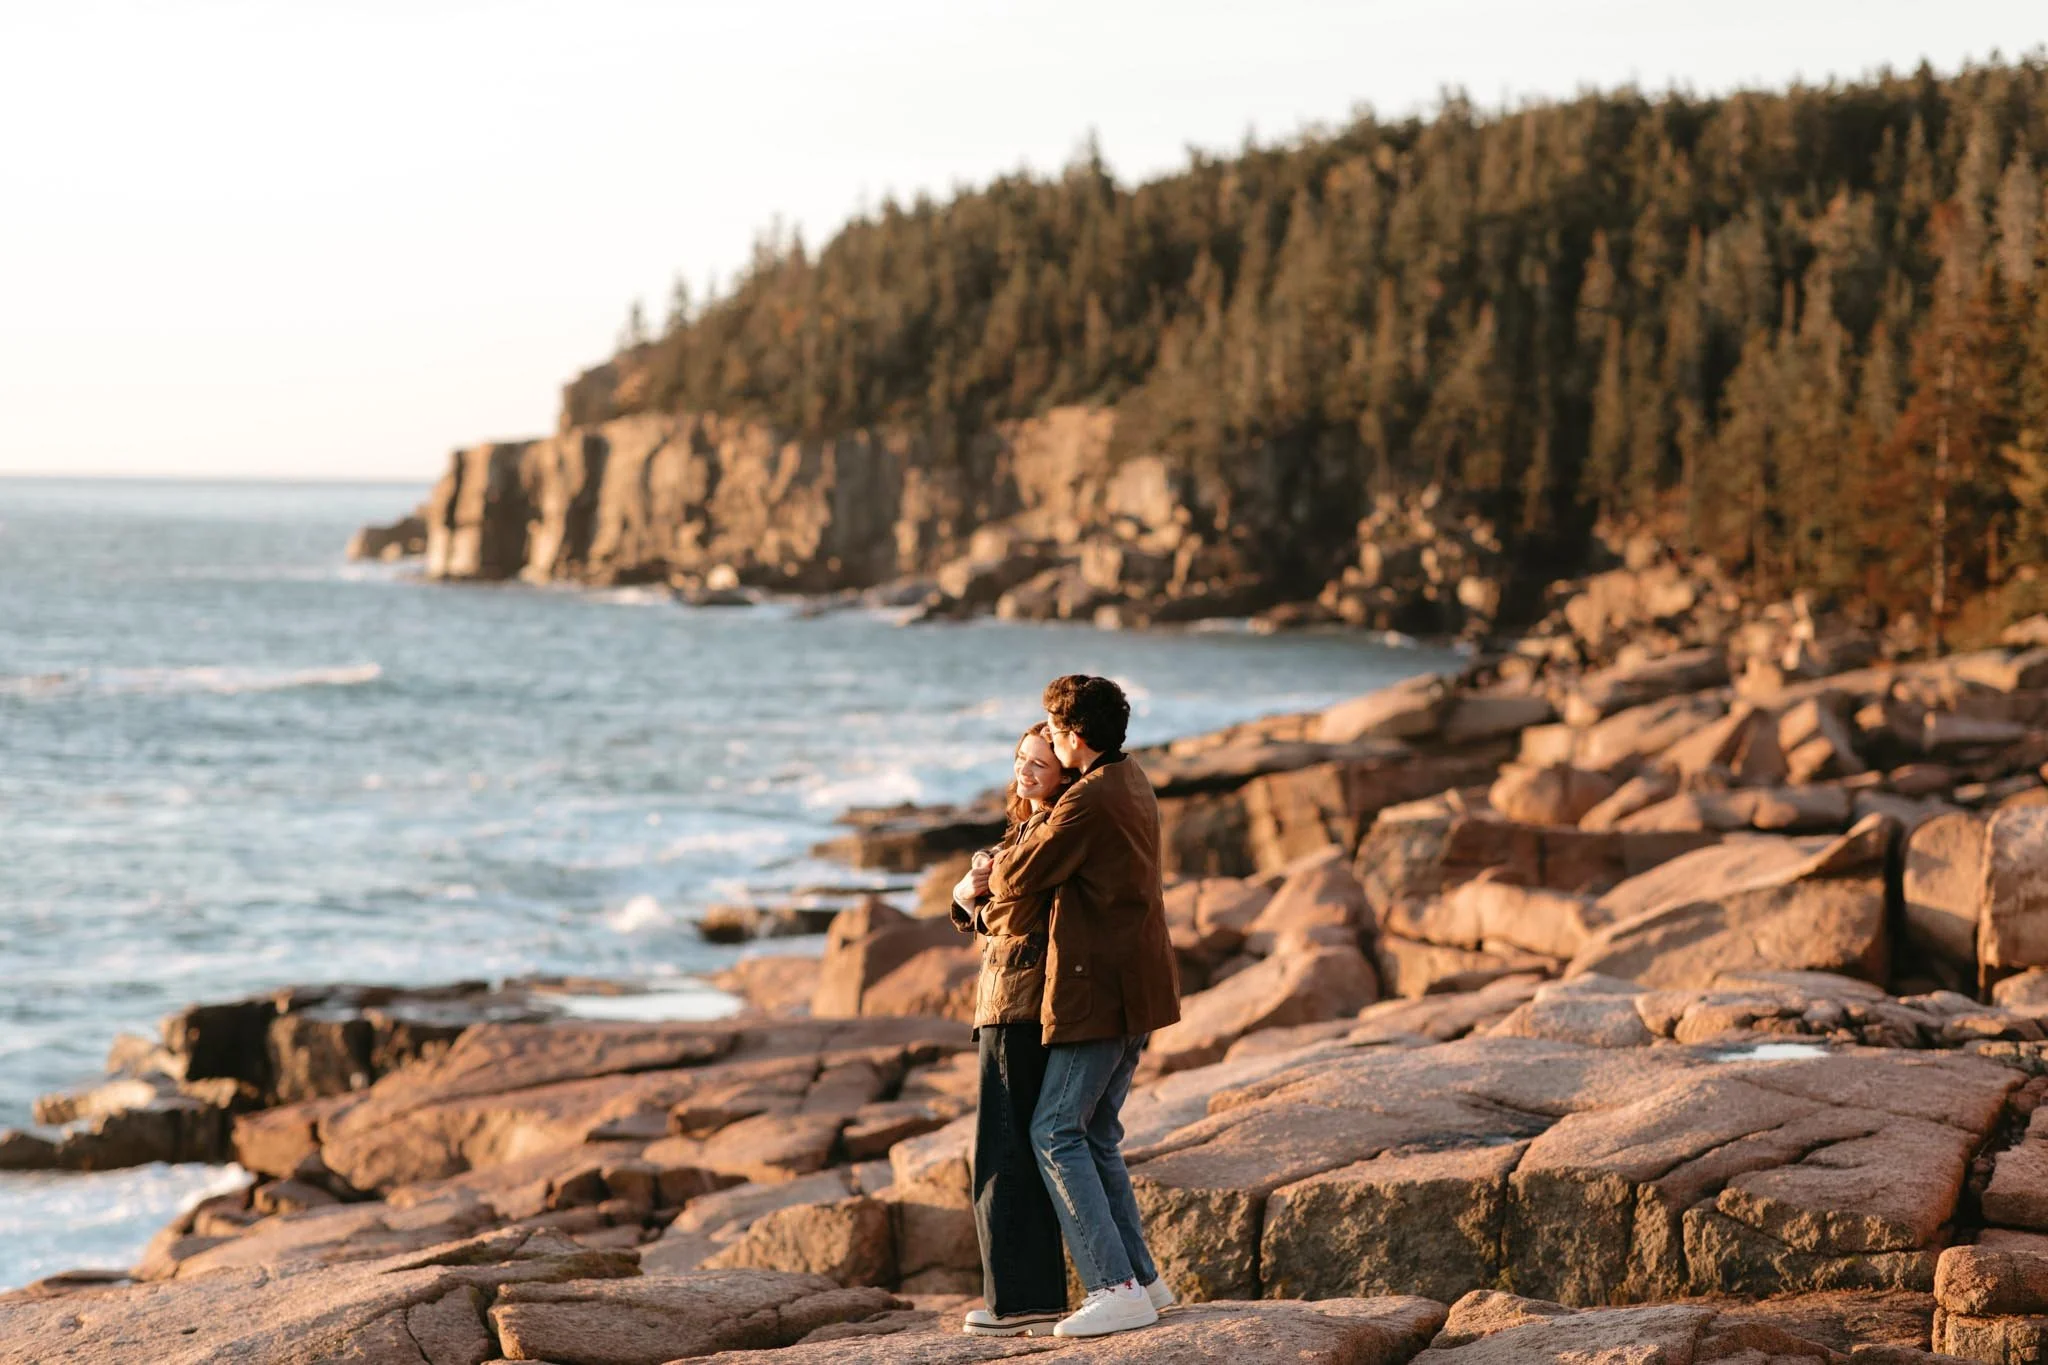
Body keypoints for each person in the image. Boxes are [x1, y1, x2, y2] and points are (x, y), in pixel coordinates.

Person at [984, 674, 1181, 1338]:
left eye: (1051, 726)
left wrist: (986, 875)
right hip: (1137, 988)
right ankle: (1146, 1282)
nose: (1046, 736)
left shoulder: (1089, 801)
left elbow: (1014, 875)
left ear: (1073, 735)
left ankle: (1113, 1284)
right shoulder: (1132, 778)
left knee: (1056, 1132)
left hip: (1100, 991)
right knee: (1095, 1135)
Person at [948, 724, 1074, 1337]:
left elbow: (1017, 919)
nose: (1025, 772)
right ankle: (1034, 1295)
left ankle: (1019, 1304)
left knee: (1001, 1152)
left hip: (1017, 1007)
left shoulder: (1049, 829)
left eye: (1041, 765)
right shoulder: (1031, 826)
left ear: (1063, 775)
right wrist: (975, 894)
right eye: (1022, 759)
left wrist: (969, 897)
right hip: (1014, 1002)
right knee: (1015, 1148)